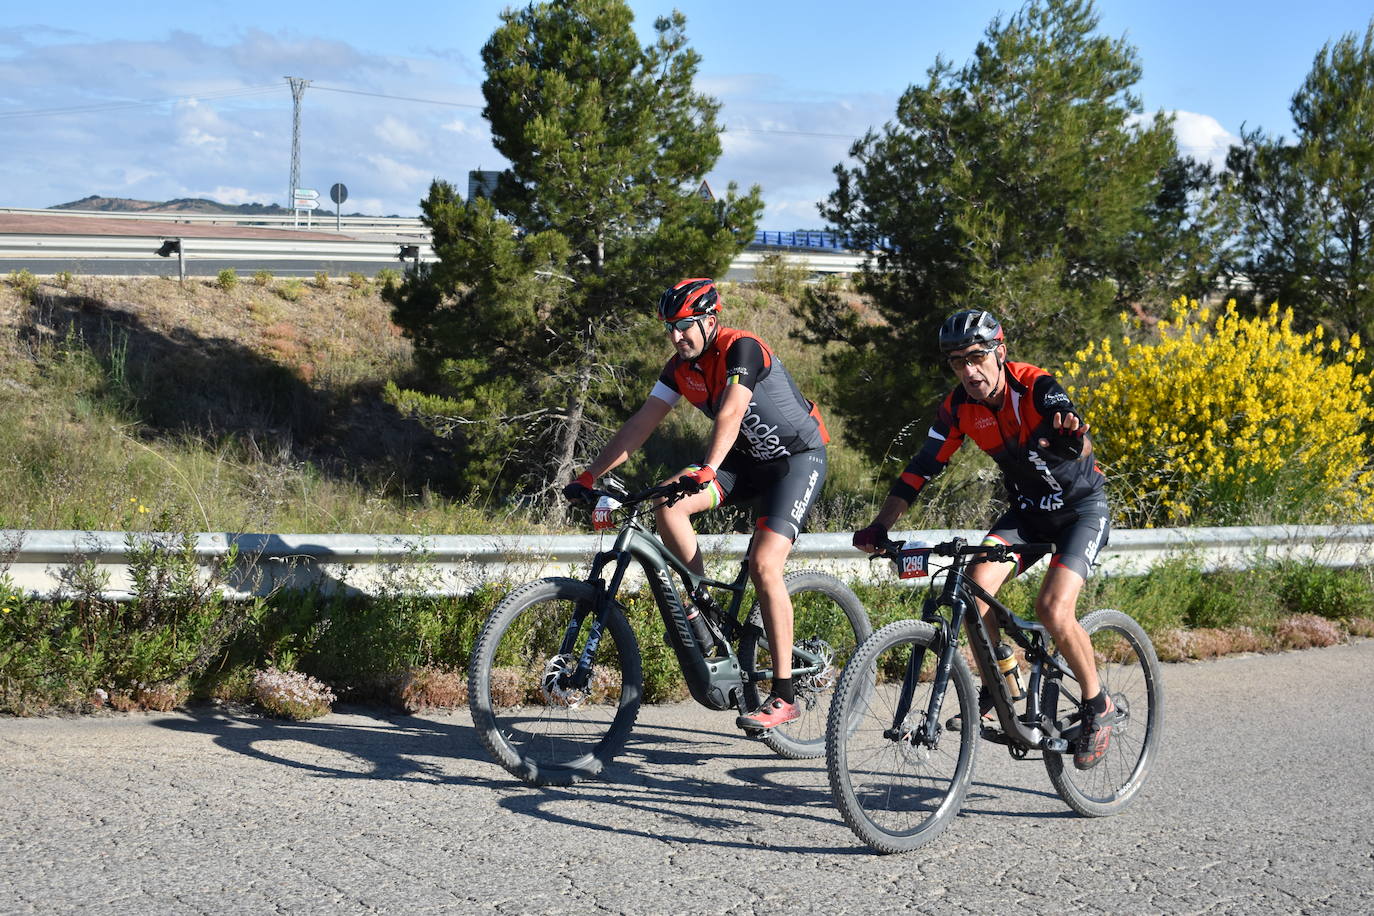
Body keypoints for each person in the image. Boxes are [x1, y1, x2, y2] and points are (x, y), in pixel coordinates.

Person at [852, 309, 1115, 770]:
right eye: (958, 362)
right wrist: (882, 525)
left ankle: (1098, 706)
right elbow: (921, 467)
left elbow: (1069, 422)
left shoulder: (1034, 387)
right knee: (975, 590)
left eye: (977, 357)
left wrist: (1074, 437)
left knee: (1053, 608)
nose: (969, 371)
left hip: (1080, 512)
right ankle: (1004, 687)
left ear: (1000, 352)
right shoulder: (958, 408)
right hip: (1029, 516)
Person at [563, 278, 830, 731]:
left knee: (765, 564)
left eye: (684, 326)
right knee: (668, 504)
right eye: (669, 327)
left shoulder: (742, 349)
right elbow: (641, 424)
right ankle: (705, 608)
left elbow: (731, 411)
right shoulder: (678, 368)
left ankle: (784, 694)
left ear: (709, 321)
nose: (675, 337)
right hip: (742, 461)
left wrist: (707, 466)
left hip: (794, 461)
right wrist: (590, 474)